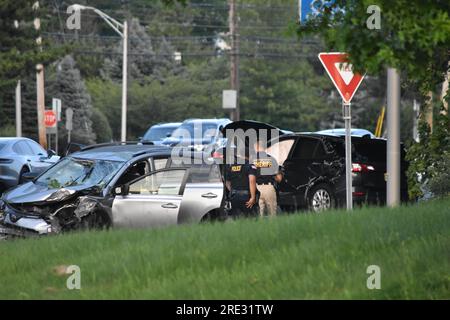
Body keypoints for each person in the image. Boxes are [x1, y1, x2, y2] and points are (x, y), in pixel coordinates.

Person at [224, 149, 259, 218]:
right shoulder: (250, 165)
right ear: (250, 156)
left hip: (234, 196)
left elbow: (227, 182)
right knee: (250, 219)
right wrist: (252, 197)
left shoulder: (232, 166)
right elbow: (252, 180)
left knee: (236, 219)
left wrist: (232, 190)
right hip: (246, 197)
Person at [252, 140, 283, 217]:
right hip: (269, 188)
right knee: (272, 214)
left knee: (259, 216)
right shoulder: (272, 159)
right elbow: (279, 178)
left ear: (256, 147)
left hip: (256, 189)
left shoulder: (251, 160)